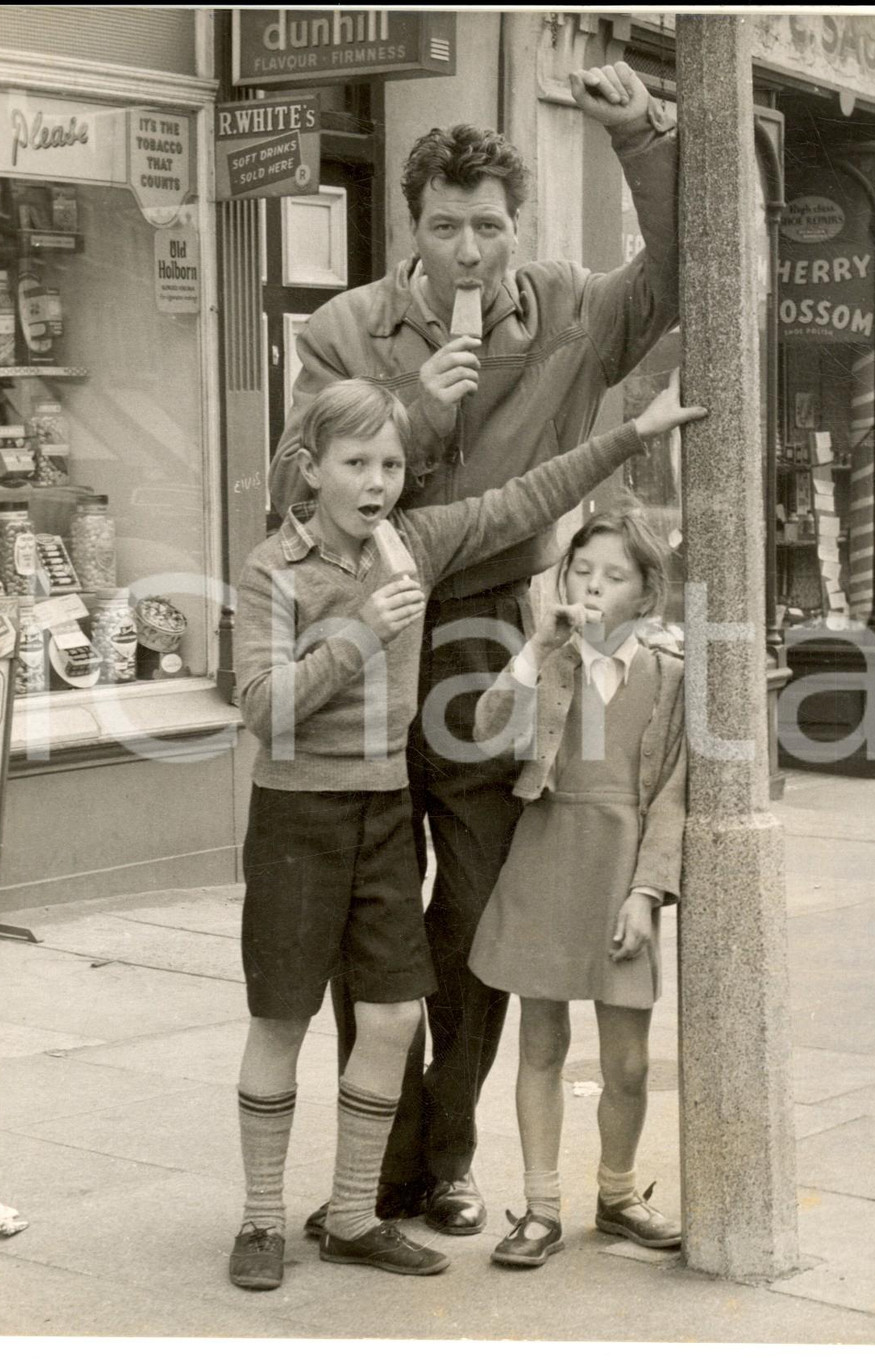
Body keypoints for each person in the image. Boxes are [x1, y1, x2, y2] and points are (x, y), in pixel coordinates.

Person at [267, 60, 680, 1236]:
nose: (467, 252)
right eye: (444, 227)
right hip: (370, 624)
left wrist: (638, 134)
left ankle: (446, 1156)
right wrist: (416, 401)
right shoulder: (347, 328)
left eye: (487, 228)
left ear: (517, 228)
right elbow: (317, 486)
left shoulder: (561, 305)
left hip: (500, 622)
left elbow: (678, 274)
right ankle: (380, 1175)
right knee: (378, 911)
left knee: (479, 911)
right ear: (411, 226)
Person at [229, 376, 705, 1289]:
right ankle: (259, 1222)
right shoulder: (271, 570)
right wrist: (361, 632)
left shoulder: (411, 542)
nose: (377, 483)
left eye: (393, 465)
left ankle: (356, 1216)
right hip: (297, 808)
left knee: (397, 1013)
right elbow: (262, 708)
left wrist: (626, 435)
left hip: (382, 805)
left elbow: (521, 500)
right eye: (357, 464)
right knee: (283, 1015)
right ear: (310, 468)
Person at [467, 500, 686, 1268]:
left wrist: (647, 894)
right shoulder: (551, 663)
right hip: (549, 855)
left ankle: (620, 1194)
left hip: (622, 871)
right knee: (541, 1042)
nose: (592, 587)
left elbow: (674, 798)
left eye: (613, 576)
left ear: (646, 593)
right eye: (581, 570)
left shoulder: (667, 676)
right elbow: (486, 735)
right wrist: (532, 648)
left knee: (626, 1061)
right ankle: (538, 1207)